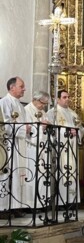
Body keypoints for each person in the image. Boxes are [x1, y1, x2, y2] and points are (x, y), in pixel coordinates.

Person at [46, 90, 84, 206]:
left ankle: (71, 200)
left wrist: (77, 132)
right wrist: (68, 131)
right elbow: (51, 130)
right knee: (61, 172)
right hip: (60, 148)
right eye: (64, 97)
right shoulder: (52, 113)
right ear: (58, 99)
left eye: (68, 97)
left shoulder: (73, 113)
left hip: (72, 147)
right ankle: (60, 201)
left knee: (72, 172)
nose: (67, 99)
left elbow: (81, 129)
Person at [0, 77, 30, 215]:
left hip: (20, 144)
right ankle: (4, 207)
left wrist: (28, 130)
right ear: (12, 87)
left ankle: (16, 205)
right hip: (9, 145)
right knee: (7, 174)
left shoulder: (20, 105)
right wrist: (24, 130)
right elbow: (5, 124)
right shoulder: (4, 102)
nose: (24, 89)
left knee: (19, 174)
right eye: (21, 86)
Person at [24, 90, 50, 209]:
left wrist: (46, 128)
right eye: (42, 103)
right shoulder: (27, 110)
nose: (43, 106)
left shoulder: (42, 112)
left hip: (42, 148)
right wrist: (41, 128)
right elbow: (26, 130)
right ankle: (30, 204)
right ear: (35, 99)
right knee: (32, 176)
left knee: (43, 176)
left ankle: (42, 203)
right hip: (31, 148)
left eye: (45, 103)